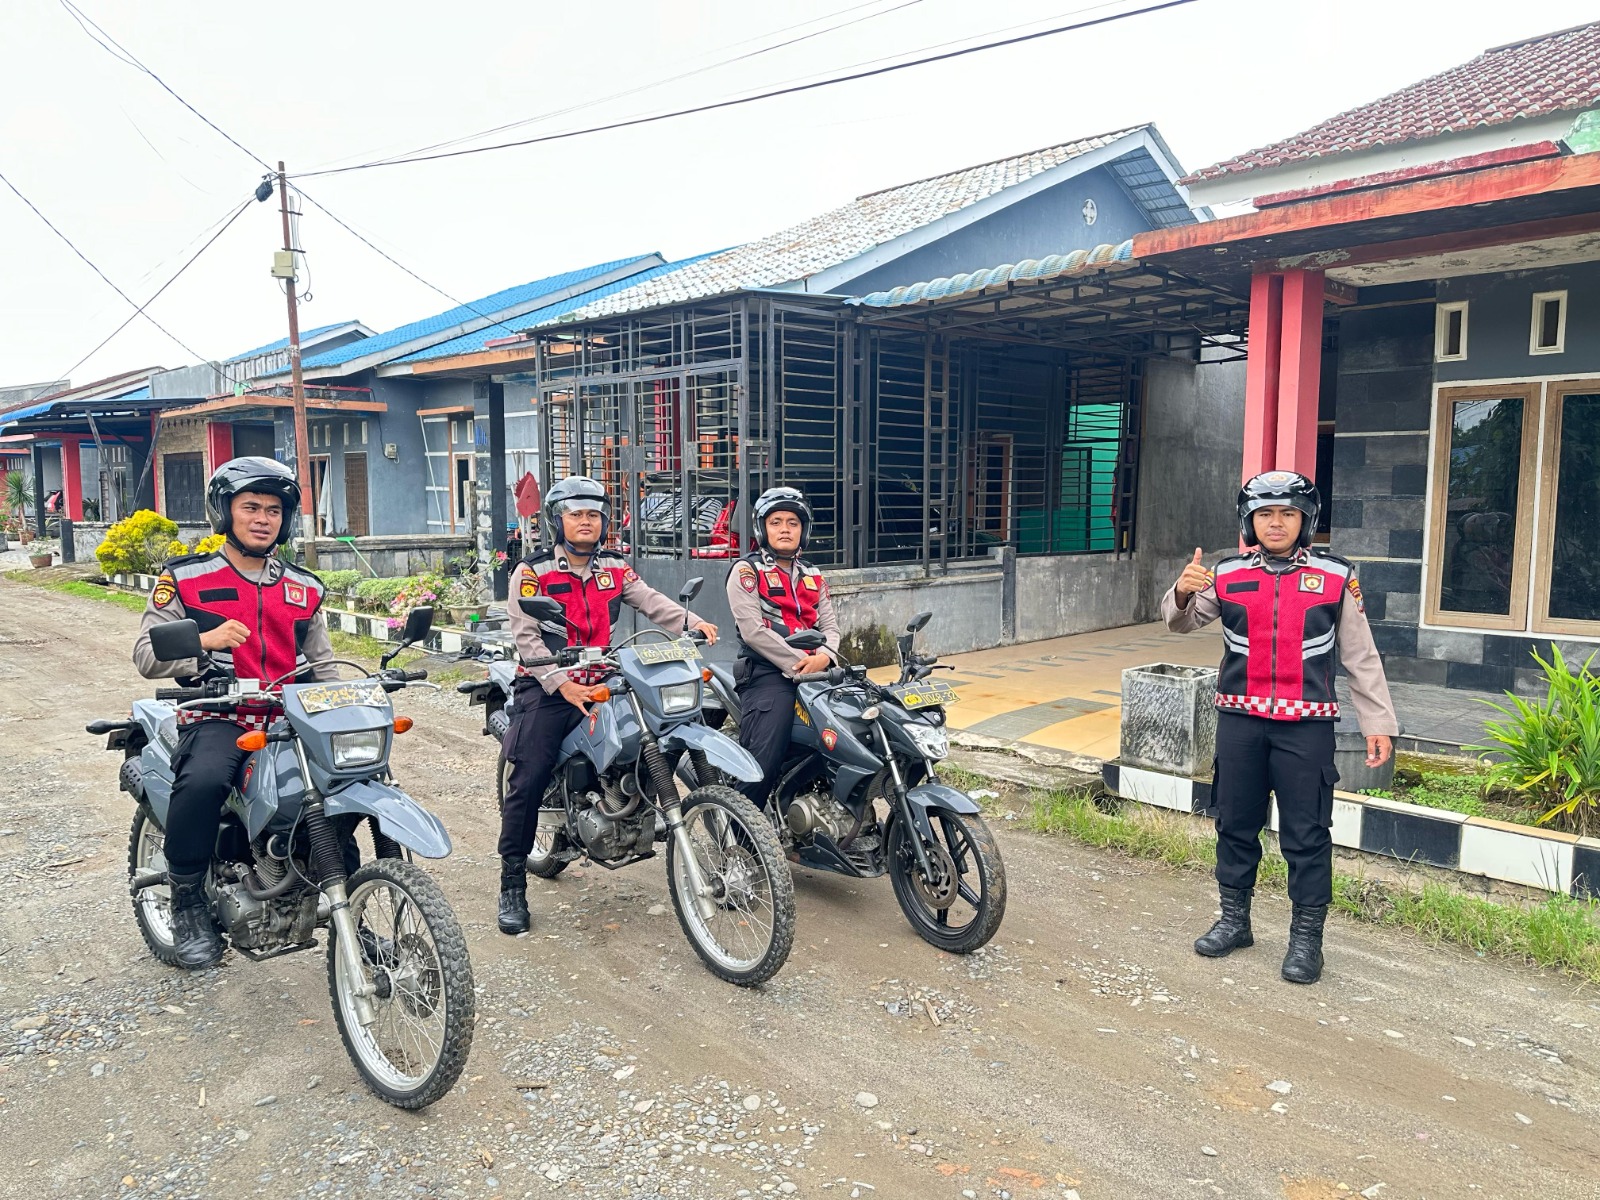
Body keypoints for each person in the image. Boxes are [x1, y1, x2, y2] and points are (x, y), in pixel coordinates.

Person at [1161, 470, 1397, 984]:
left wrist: (1378, 720)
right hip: (1241, 722)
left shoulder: (1336, 576)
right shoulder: (1226, 573)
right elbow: (1180, 623)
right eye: (1265, 513)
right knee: (1234, 822)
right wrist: (1180, 591)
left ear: (1304, 520)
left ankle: (1306, 940)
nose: (1275, 523)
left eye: (1287, 513)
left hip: (1305, 727)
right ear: (1250, 520)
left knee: (1307, 833)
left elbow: (1361, 654)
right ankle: (1234, 921)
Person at [133, 457, 339, 969]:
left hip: (288, 717)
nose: (263, 518)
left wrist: (344, 705)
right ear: (224, 512)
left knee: (342, 789)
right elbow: (146, 655)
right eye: (250, 507)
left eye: (274, 510)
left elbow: (325, 663)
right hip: (218, 714)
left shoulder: (304, 586)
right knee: (202, 782)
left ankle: (350, 902)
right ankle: (187, 903)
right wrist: (205, 639)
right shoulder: (186, 578)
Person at [498, 476, 718, 935]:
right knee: (529, 774)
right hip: (548, 684)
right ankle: (513, 881)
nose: (586, 522)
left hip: (605, 674)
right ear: (558, 520)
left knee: (660, 726)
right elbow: (526, 638)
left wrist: (692, 621)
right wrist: (562, 684)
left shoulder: (615, 568)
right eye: (576, 514)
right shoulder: (533, 572)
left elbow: (652, 603)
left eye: (593, 514)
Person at [725, 486, 840, 810]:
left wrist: (825, 657)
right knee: (763, 759)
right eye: (776, 522)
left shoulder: (813, 575)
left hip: (817, 669)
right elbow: (753, 631)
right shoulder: (747, 570)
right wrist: (801, 662)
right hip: (766, 673)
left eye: (793, 522)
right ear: (763, 528)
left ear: (804, 529)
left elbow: (830, 627)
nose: (785, 529)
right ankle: (739, 839)